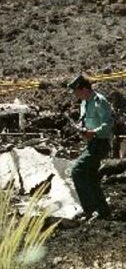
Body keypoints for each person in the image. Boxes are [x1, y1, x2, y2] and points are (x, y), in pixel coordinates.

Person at [67, 74, 113, 221]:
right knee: (90, 176)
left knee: (77, 170)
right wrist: (81, 128)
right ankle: (103, 210)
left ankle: (89, 209)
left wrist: (93, 132)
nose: (75, 94)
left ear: (85, 89)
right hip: (92, 143)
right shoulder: (83, 103)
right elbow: (85, 121)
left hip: (101, 143)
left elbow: (108, 125)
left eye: (77, 91)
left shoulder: (100, 101)